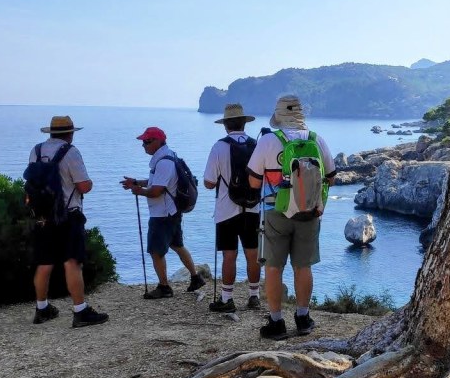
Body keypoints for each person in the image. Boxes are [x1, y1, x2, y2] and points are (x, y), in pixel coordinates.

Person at [247, 95, 336, 340]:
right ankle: (303, 317)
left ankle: (276, 322)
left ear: (279, 117)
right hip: (309, 211)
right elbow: (331, 177)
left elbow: (254, 181)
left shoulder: (267, 141)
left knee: (274, 268)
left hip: (276, 211)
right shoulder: (317, 140)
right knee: (303, 266)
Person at [29, 115, 110, 328]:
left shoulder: (36, 151)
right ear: (70, 133)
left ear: (51, 132)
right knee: (72, 261)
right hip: (68, 215)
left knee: (44, 263)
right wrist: (89, 182)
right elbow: (83, 186)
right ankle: (80, 311)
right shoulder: (71, 152)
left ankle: (42, 308)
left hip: (42, 216)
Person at [121, 126, 206, 299]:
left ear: (158, 141)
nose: (144, 145)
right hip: (172, 212)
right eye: (143, 142)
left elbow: (156, 191)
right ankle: (196, 277)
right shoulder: (168, 157)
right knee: (177, 245)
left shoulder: (164, 162)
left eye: (147, 141)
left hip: (162, 214)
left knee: (156, 251)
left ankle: (164, 287)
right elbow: (156, 182)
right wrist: (137, 182)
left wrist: (139, 190)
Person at [203, 104, 262, 313]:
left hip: (226, 209)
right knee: (252, 254)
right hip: (253, 208)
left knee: (229, 255)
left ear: (226, 125)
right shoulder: (257, 145)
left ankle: (227, 299)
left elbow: (209, 182)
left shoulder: (219, 147)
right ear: (244, 123)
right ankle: (254, 296)